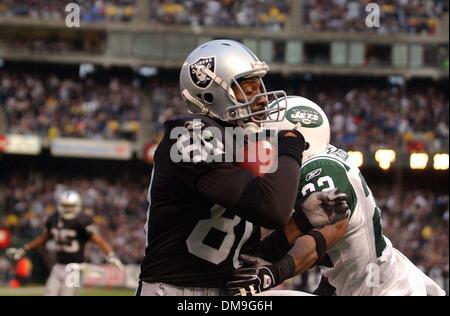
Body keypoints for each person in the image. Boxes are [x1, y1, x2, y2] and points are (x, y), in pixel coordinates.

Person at [137, 39, 349, 296]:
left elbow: (247, 256)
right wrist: (291, 143)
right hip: (172, 291)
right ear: (210, 93)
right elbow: (273, 211)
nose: (261, 99)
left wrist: (301, 222)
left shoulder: (241, 145)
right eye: (247, 89)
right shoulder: (188, 135)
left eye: (259, 86)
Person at [226, 96, 446, 296]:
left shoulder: (320, 168)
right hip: (381, 282)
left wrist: (272, 274)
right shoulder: (323, 160)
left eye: (271, 137)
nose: (263, 145)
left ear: (300, 139)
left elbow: (332, 228)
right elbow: (338, 252)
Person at [6, 190, 123, 296]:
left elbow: (98, 240)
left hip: (75, 268)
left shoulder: (82, 220)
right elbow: (43, 237)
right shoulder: (54, 218)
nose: (67, 209)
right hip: (58, 265)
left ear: (77, 206)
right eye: (65, 206)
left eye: (70, 206)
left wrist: (111, 254)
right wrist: (24, 249)